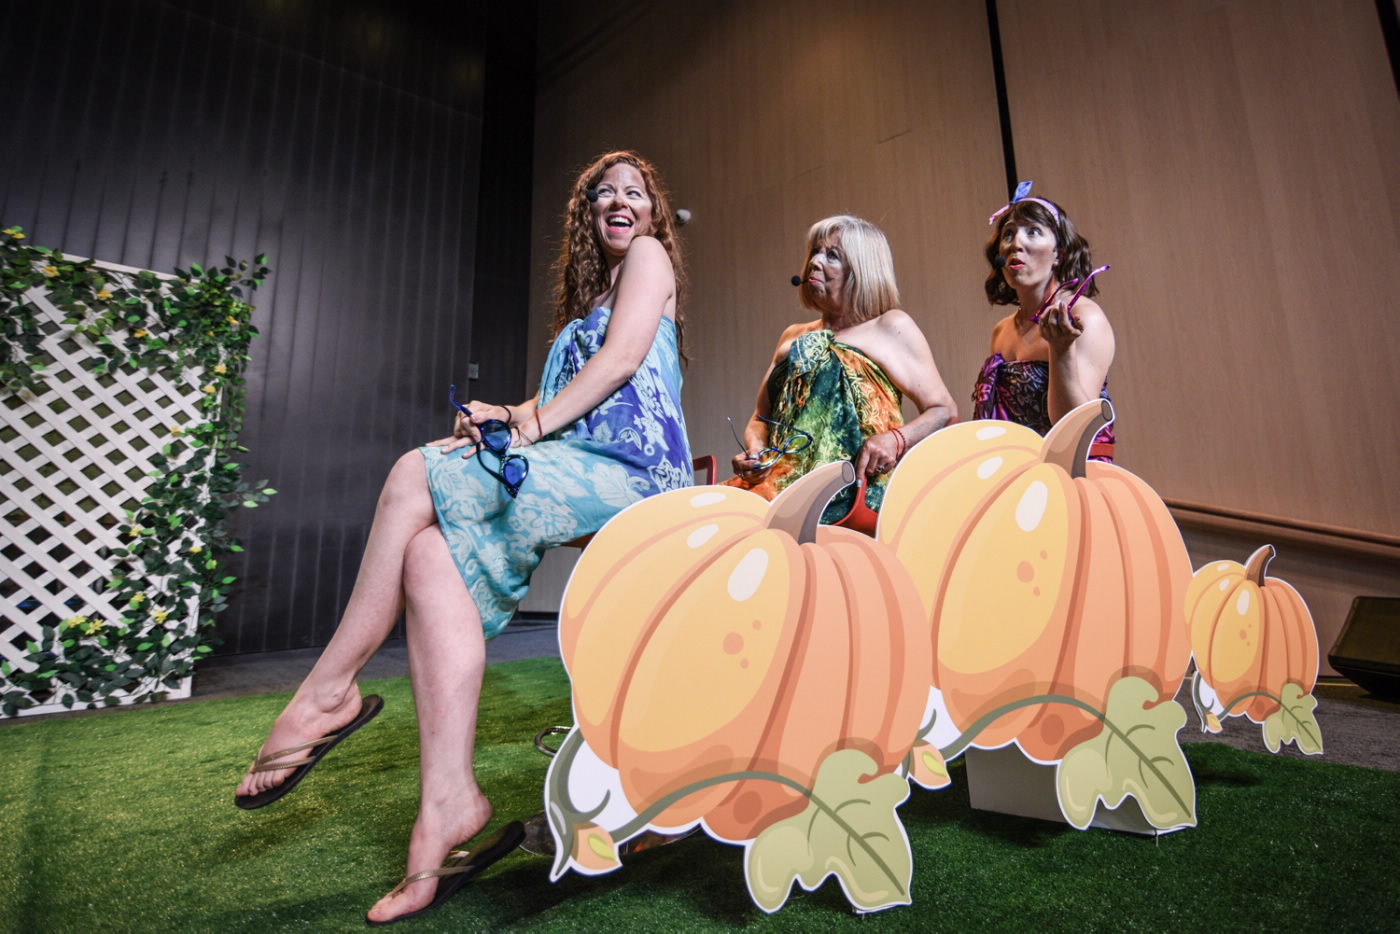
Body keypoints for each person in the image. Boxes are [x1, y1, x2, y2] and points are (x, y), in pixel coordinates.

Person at [233, 151, 691, 923]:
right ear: (586, 215)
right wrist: (502, 414)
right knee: (427, 553)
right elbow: (550, 405)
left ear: (652, 213)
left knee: (414, 472)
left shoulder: (649, 259)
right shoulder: (586, 305)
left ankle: (327, 694)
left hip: (638, 471)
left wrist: (528, 427)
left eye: (634, 192)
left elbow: (620, 365)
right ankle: (448, 802)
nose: (619, 201)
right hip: (579, 462)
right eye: (603, 193)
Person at [726, 215, 956, 528]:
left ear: (862, 271)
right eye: (815, 252)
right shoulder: (792, 335)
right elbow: (760, 419)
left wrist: (895, 440)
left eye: (832, 255)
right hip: (781, 491)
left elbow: (944, 410)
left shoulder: (891, 326)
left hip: (852, 496)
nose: (814, 262)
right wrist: (756, 454)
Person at [974, 182, 1116, 460]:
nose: (1016, 244)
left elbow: (1078, 429)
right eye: (1008, 234)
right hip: (1018, 471)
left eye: (1033, 232)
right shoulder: (1001, 331)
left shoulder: (1085, 318)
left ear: (1058, 254)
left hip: (1075, 470)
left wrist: (1061, 351)